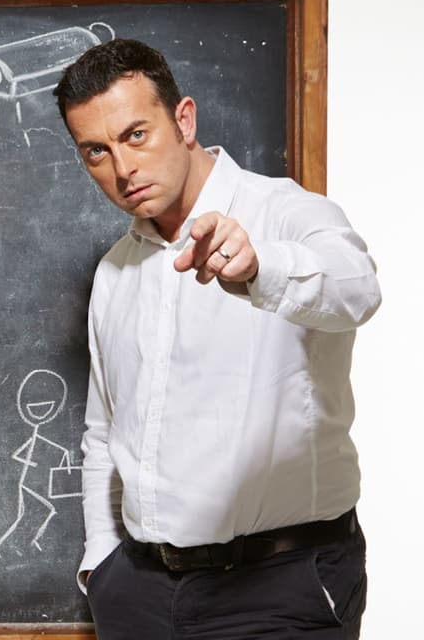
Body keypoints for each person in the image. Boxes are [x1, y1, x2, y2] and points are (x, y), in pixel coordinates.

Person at [54, 39, 380, 638]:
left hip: (277, 587)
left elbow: (358, 288)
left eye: (135, 135)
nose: (122, 169)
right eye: (96, 151)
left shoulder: (286, 213)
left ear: (184, 120)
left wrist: (262, 269)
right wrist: (102, 564)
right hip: (139, 595)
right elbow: (105, 432)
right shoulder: (116, 271)